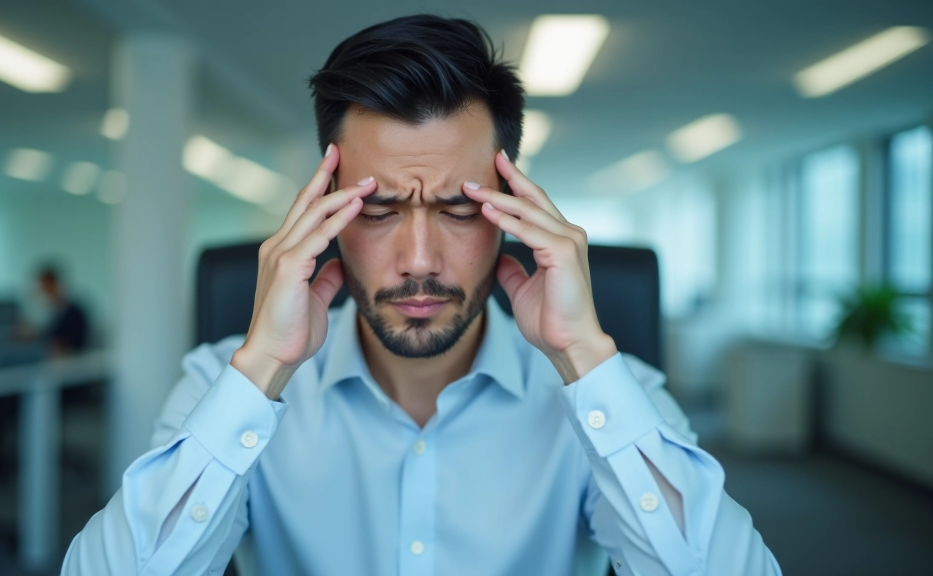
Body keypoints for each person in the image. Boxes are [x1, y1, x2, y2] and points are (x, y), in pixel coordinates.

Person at [63, 15, 781, 575]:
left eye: (458, 209)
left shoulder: (612, 396)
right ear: (324, 212)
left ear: (512, 211)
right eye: (376, 212)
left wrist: (584, 359)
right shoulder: (224, 382)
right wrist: (264, 372)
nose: (417, 260)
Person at [35, 264, 89, 355]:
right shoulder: (50, 311)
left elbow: (74, 340)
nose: (43, 291)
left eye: (45, 287)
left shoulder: (74, 312)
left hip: (69, 355)